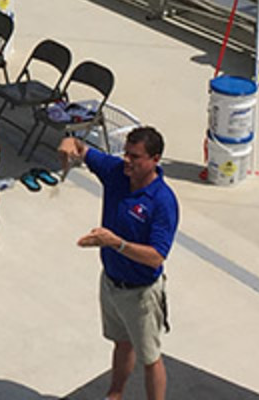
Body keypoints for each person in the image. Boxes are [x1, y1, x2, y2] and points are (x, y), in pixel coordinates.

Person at [58, 128, 179, 400]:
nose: (127, 160)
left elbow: (156, 256)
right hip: (111, 282)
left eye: (135, 156)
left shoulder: (162, 202)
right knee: (121, 343)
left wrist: (116, 243)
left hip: (141, 294)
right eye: (126, 153)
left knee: (151, 358)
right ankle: (115, 394)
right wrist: (67, 143)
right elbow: (79, 147)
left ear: (155, 159)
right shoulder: (116, 172)